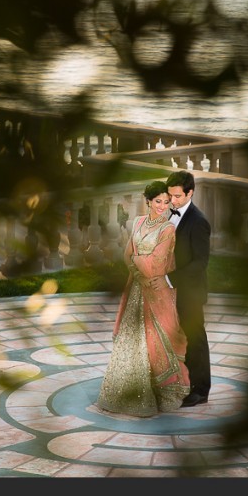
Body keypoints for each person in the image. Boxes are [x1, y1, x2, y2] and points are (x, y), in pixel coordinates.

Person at [96, 181, 191, 416]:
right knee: (134, 338)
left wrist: (139, 263)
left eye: (167, 202)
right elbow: (127, 254)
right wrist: (139, 265)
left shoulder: (168, 229)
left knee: (159, 340)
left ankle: (166, 391)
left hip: (157, 292)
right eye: (158, 201)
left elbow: (156, 265)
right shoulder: (138, 222)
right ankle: (130, 390)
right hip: (137, 288)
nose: (162, 206)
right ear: (147, 200)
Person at [153, 170, 211, 408]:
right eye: (170, 196)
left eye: (177, 196)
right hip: (172, 290)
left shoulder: (199, 222)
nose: (172, 201)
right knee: (178, 337)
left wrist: (169, 279)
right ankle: (183, 382)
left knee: (195, 338)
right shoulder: (171, 215)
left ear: (190, 193)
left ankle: (201, 390)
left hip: (190, 291)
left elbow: (200, 263)